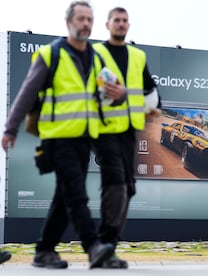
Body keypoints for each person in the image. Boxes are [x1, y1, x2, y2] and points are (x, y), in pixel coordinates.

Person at [1, 0, 114, 269]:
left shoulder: (97, 59)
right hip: (57, 138)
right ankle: (93, 245)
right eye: (81, 19)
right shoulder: (50, 54)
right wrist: (10, 128)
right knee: (75, 193)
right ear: (69, 23)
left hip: (84, 140)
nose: (86, 23)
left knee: (64, 198)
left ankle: (44, 250)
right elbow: (27, 93)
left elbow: (105, 98)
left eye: (90, 19)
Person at [92, 7, 160, 269]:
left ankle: (107, 247)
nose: (121, 24)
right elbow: (92, 89)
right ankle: (105, 245)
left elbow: (150, 91)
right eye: (116, 20)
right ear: (107, 24)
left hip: (129, 130)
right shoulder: (96, 54)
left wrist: (153, 104)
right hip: (105, 128)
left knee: (128, 187)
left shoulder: (137, 56)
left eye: (124, 21)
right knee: (116, 183)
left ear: (128, 25)